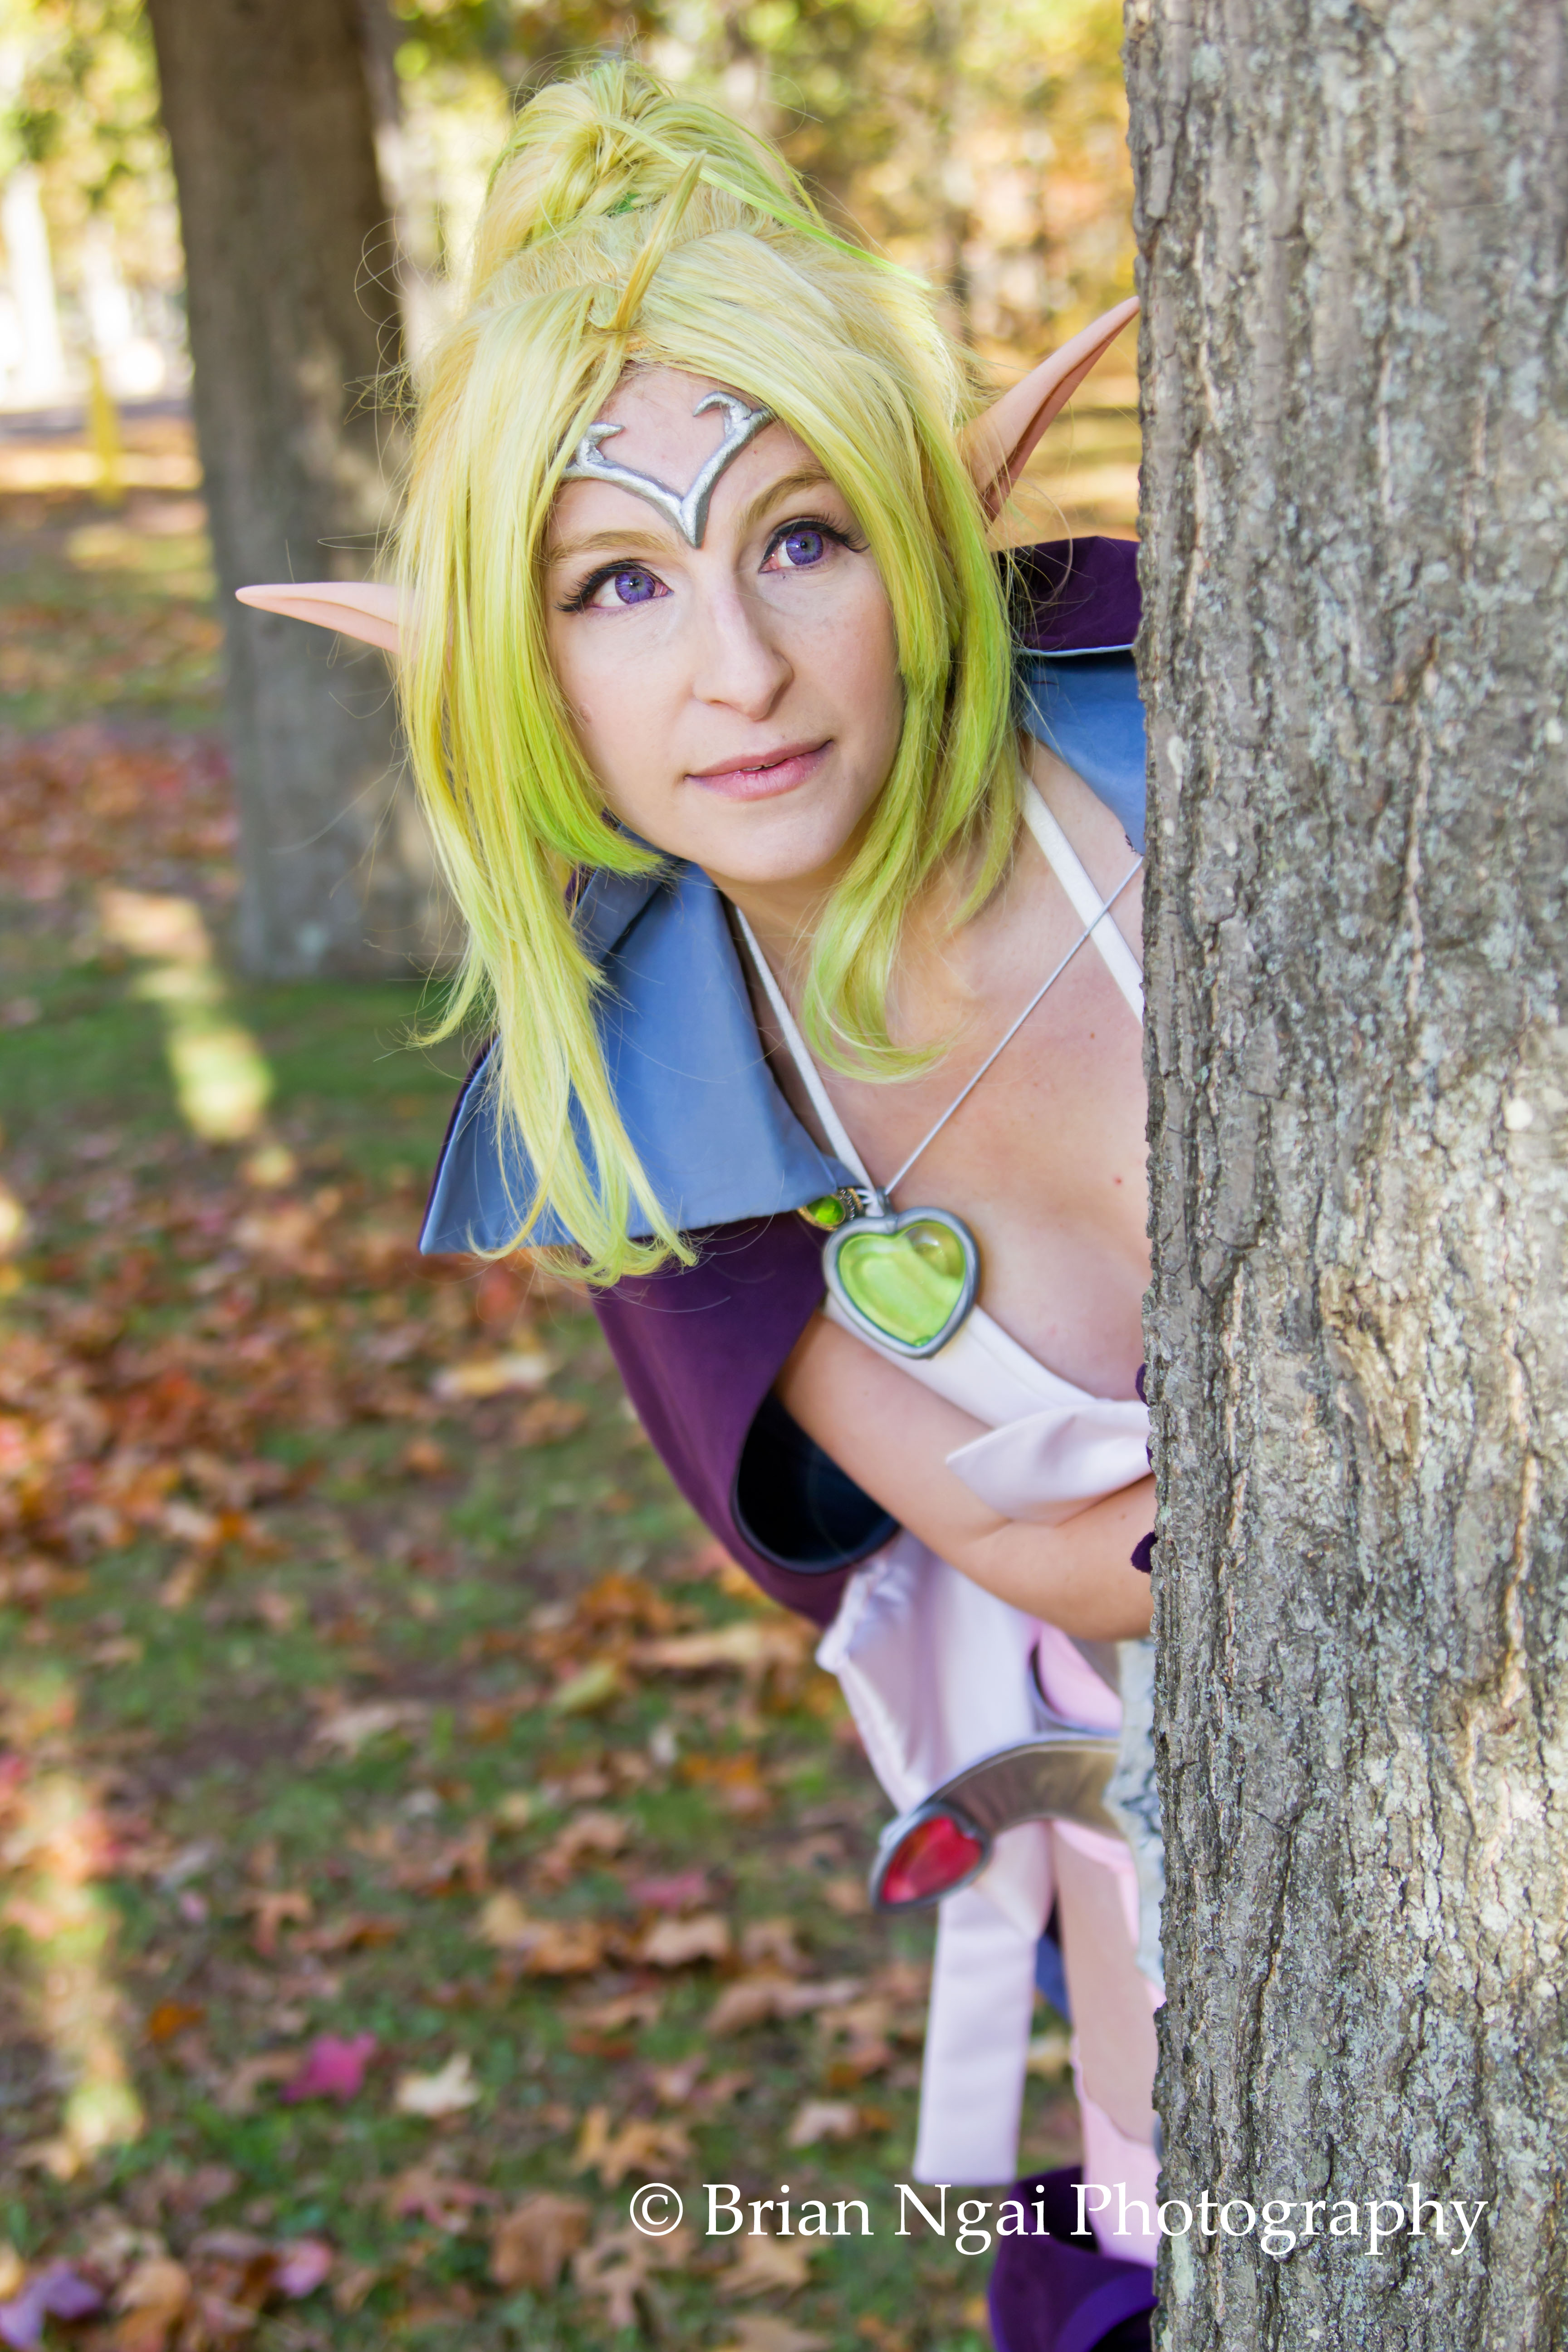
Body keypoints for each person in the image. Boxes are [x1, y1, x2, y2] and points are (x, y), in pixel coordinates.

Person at [240, 64, 1161, 2352]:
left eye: (804, 540)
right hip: (1203, 1866)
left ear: (922, 542)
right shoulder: (664, 1120)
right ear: (516, 655)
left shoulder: (1178, 736)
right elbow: (1083, 1565)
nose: (734, 671)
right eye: (621, 583)